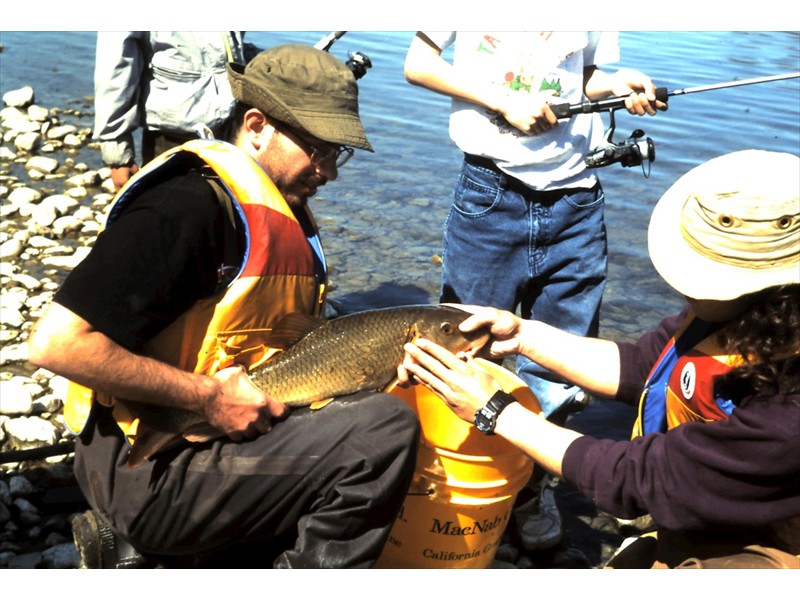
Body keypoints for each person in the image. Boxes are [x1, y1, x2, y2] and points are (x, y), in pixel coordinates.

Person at [28, 44, 420, 569]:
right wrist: (208, 398)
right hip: (143, 468)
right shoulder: (185, 208)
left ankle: (174, 554)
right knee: (385, 434)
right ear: (256, 125)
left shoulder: (279, 206)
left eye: (337, 154)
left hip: (204, 441)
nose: (329, 172)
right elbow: (56, 344)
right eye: (319, 150)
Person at [398, 149, 800, 568]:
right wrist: (521, 335)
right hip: (705, 506)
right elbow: (645, 367)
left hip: (771, 540)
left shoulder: (789, 414)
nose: (684, 288)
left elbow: (638, 479)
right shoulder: (736, 315)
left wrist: (496, 412)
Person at [403, 30, 666, 551]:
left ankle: (527, 485)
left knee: (561, 362)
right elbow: (418, 63)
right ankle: (456, 472)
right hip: (488, 191)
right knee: (465, 346)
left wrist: (613, 85)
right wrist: (501, 100)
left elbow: (578, 75)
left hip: (578, 199)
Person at [94, 32, 258, 191]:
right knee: (169, 209)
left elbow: (229, 45)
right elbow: (115, 63)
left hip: (231, 128)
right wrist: (118, 153)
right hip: (170, 138)